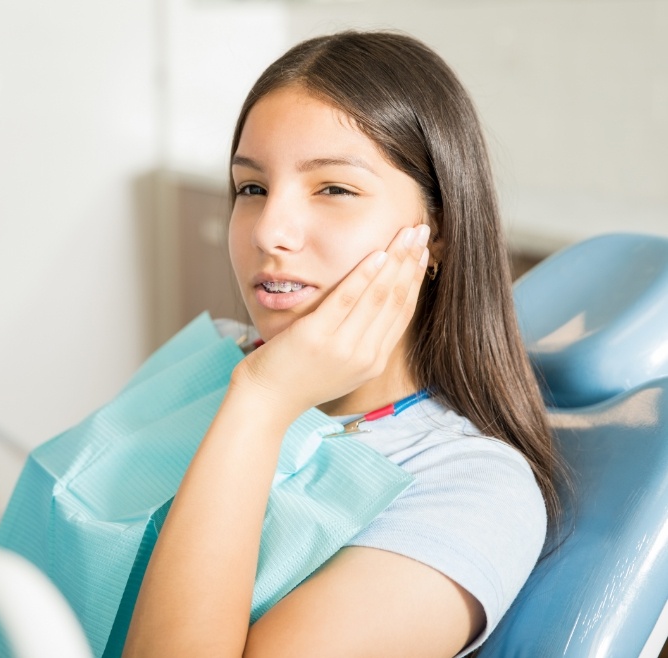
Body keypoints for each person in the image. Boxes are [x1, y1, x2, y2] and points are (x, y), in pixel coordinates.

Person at [122, 30, 561, 658]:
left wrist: (262, 403)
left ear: (435, 234)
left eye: (333, 189)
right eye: (252, 188)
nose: (270, 230)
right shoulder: (211, 356)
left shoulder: (472, 489)